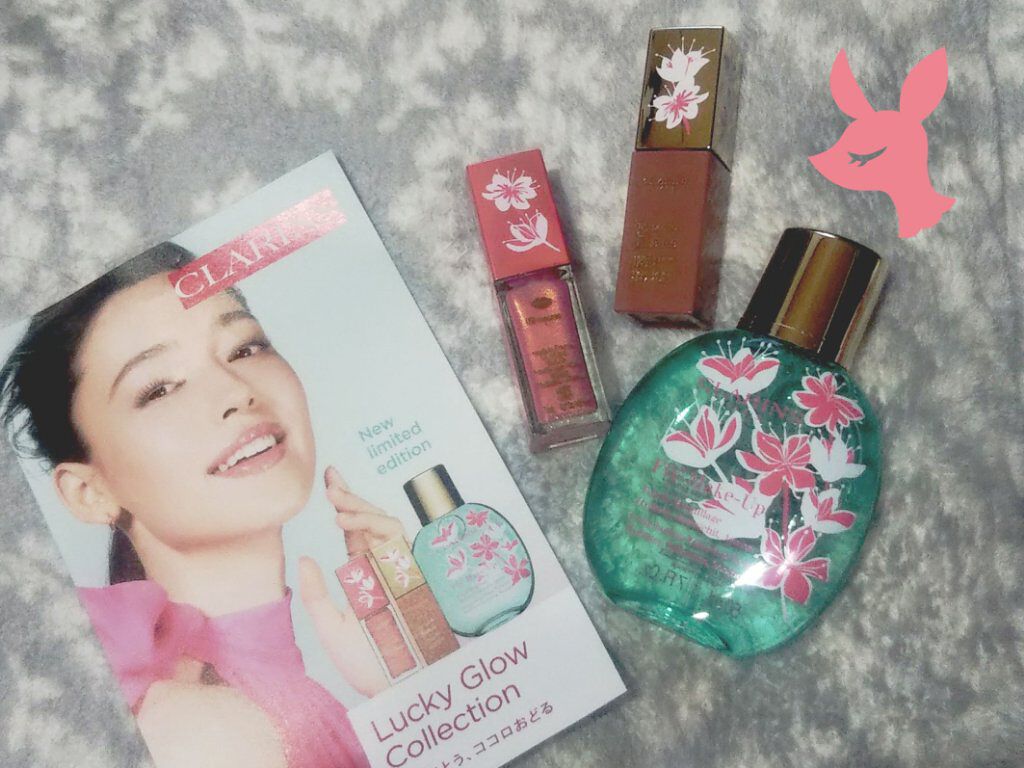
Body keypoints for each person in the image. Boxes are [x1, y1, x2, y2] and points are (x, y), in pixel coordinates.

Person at [0, 242, 408, 768]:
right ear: (90, 492)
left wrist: (407, 677)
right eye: (160, 389)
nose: (237, 391)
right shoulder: (191, 729)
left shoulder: (272, 698)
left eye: (244, 348)